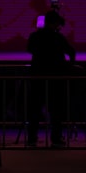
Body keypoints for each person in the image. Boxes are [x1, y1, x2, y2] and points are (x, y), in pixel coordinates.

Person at [25, 9, 77, 147]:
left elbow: (29, 49)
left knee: (35, 108)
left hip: (37, 76)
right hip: (56, 77)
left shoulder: (35, 36)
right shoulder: (58, 38)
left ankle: (32, 137)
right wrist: (69, 68)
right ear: (54, 23)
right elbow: (71, 52)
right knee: (56, 109)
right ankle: (56, 137)